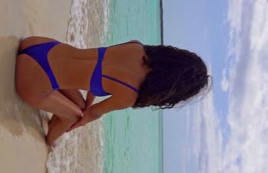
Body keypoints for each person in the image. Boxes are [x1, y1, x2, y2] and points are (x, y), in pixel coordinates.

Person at [15, 36, 210, 147]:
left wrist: (85, 105)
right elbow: (91, 114)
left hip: (37, 45)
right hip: (32, 78)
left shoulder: (135, 47)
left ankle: (57, 109)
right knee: (74, 116)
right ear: (171, 89)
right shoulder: (130, 94)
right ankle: (47, 144)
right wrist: (76, 119)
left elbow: (94, 80)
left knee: (79, 104)